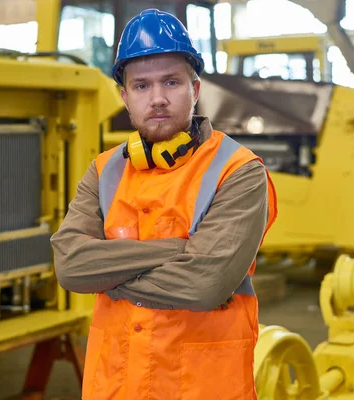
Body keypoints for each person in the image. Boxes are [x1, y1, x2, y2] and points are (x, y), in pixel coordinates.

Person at [51, 8, 278, 400]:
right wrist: (179, 250)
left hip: (200, 386)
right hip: (115, 385)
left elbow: (203, 286)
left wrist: (109, 277)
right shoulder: (104, 171)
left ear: (194, 89)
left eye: (171, 82)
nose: (157, 98)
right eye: (141, 86)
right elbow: (71, 267)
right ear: (124, 97)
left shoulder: (238, 171)